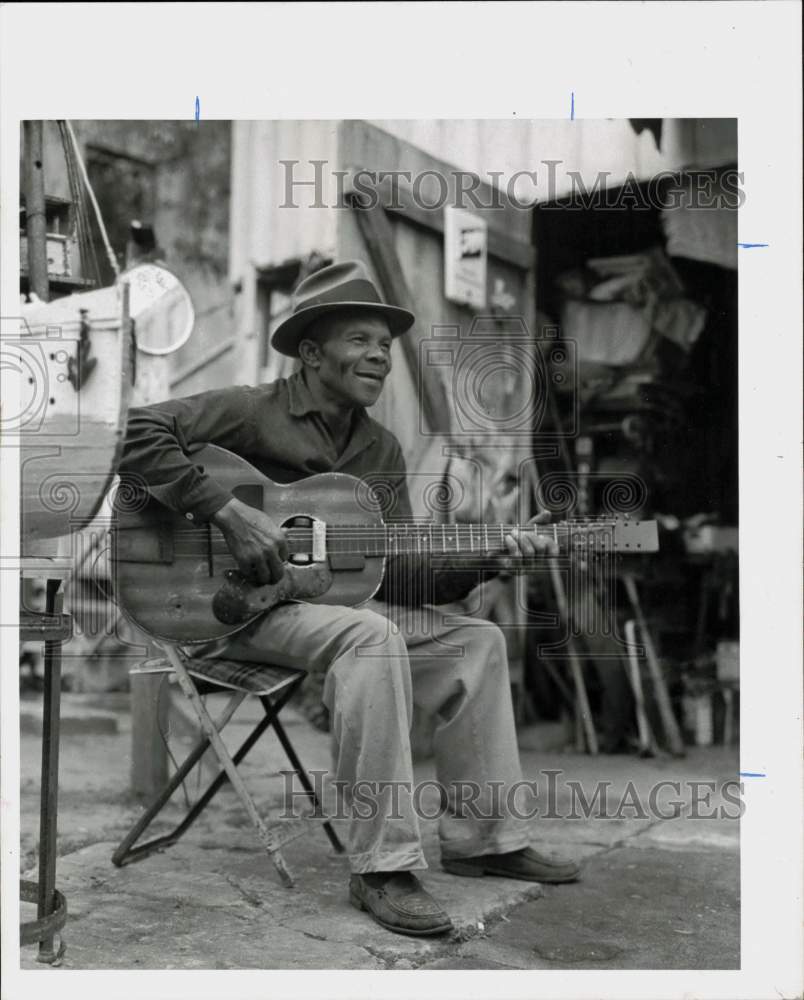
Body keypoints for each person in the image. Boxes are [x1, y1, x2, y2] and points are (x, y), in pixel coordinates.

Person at [119, 260, 580, 937]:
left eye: (385, 346)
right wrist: (227, 512)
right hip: (229, 612)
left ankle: (484, 841)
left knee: (475, 642)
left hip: (327, 614)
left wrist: (491, 559)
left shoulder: (379, 450)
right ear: (311, 353)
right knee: (369, 637)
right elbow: (134, 432)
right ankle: (381, 866)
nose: (378, 357)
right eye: (360, 339)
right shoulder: (251, 411)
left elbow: (390, 573)